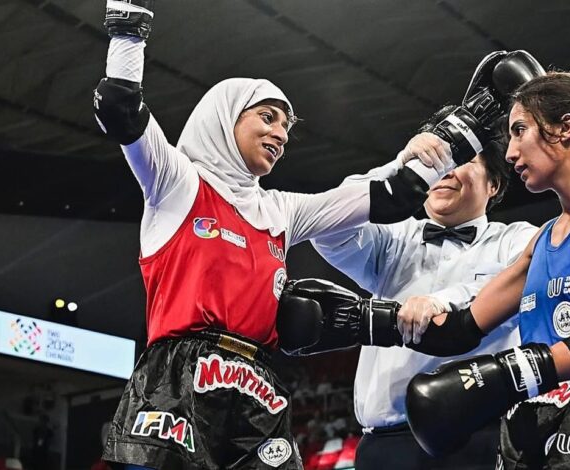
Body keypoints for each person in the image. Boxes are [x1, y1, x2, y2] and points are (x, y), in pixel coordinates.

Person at [93, 3, 515, 469]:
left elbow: (388, 198)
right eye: (267, 117)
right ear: (225, 116)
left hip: (255, 382)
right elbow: (120, 106)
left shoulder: (281, 209)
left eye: (286, 126)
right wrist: (129, 27)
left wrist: (459, 132)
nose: (280, 134)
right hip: (177, 379)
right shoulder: (176, 182)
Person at [383, 71, 570, 469]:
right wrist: (364, 321)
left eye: (519, 131)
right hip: (529, 414)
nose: (511, 153)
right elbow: (462, 327)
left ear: (565, 128)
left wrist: (511, 372)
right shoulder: (544, 238)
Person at [309, 106, 538, 469]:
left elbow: (512, 282)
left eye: (460, 159)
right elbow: (326, 224)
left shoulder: (516, 239)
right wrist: (398, 167)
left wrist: (440, 301)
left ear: (493, 183)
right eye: (438, 159)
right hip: (386, 448)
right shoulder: (393, 238)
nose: (445, 170)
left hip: (481, 440)